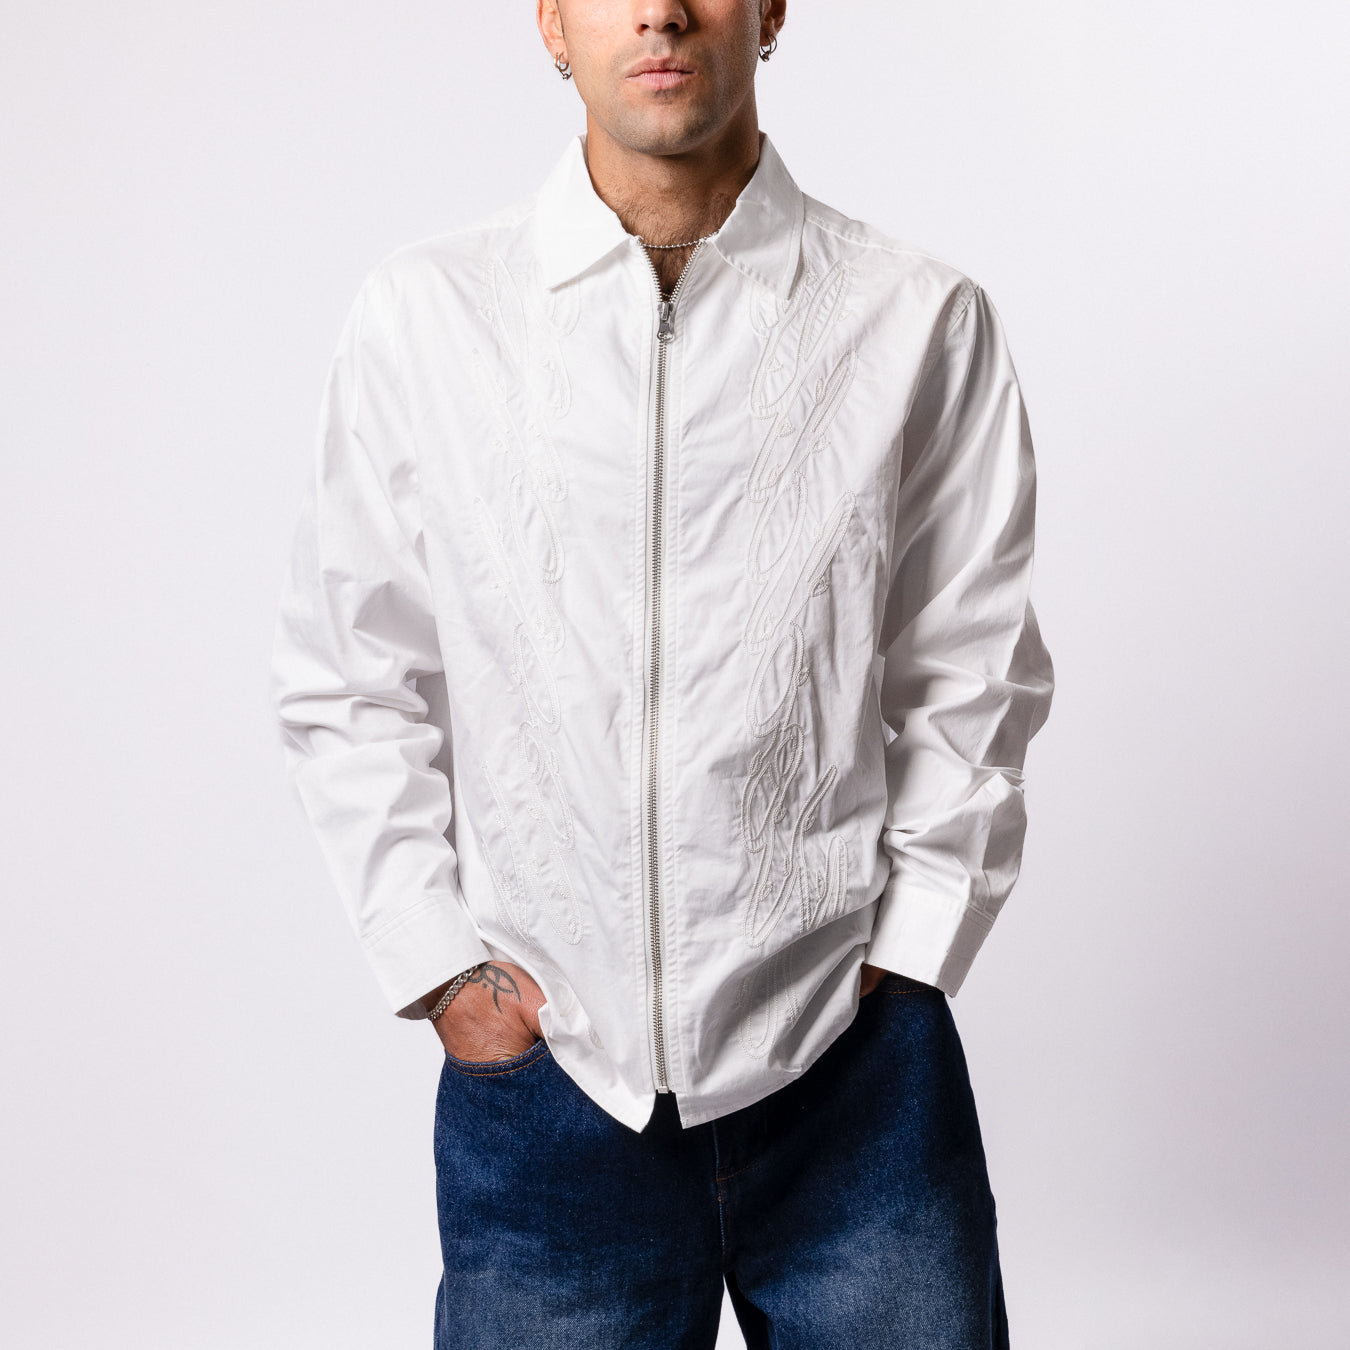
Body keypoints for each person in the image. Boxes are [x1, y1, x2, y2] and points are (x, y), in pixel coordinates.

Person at [270, 0, 1054, 1343]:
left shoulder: (915, 315)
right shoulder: (429, 314)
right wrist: (443, 972)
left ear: (770, 10)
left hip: (854, 1075)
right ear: (551, 23)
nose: (660, 11)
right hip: (552, 1087)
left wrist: (915, 953)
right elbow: (350, 670)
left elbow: (969, 661)